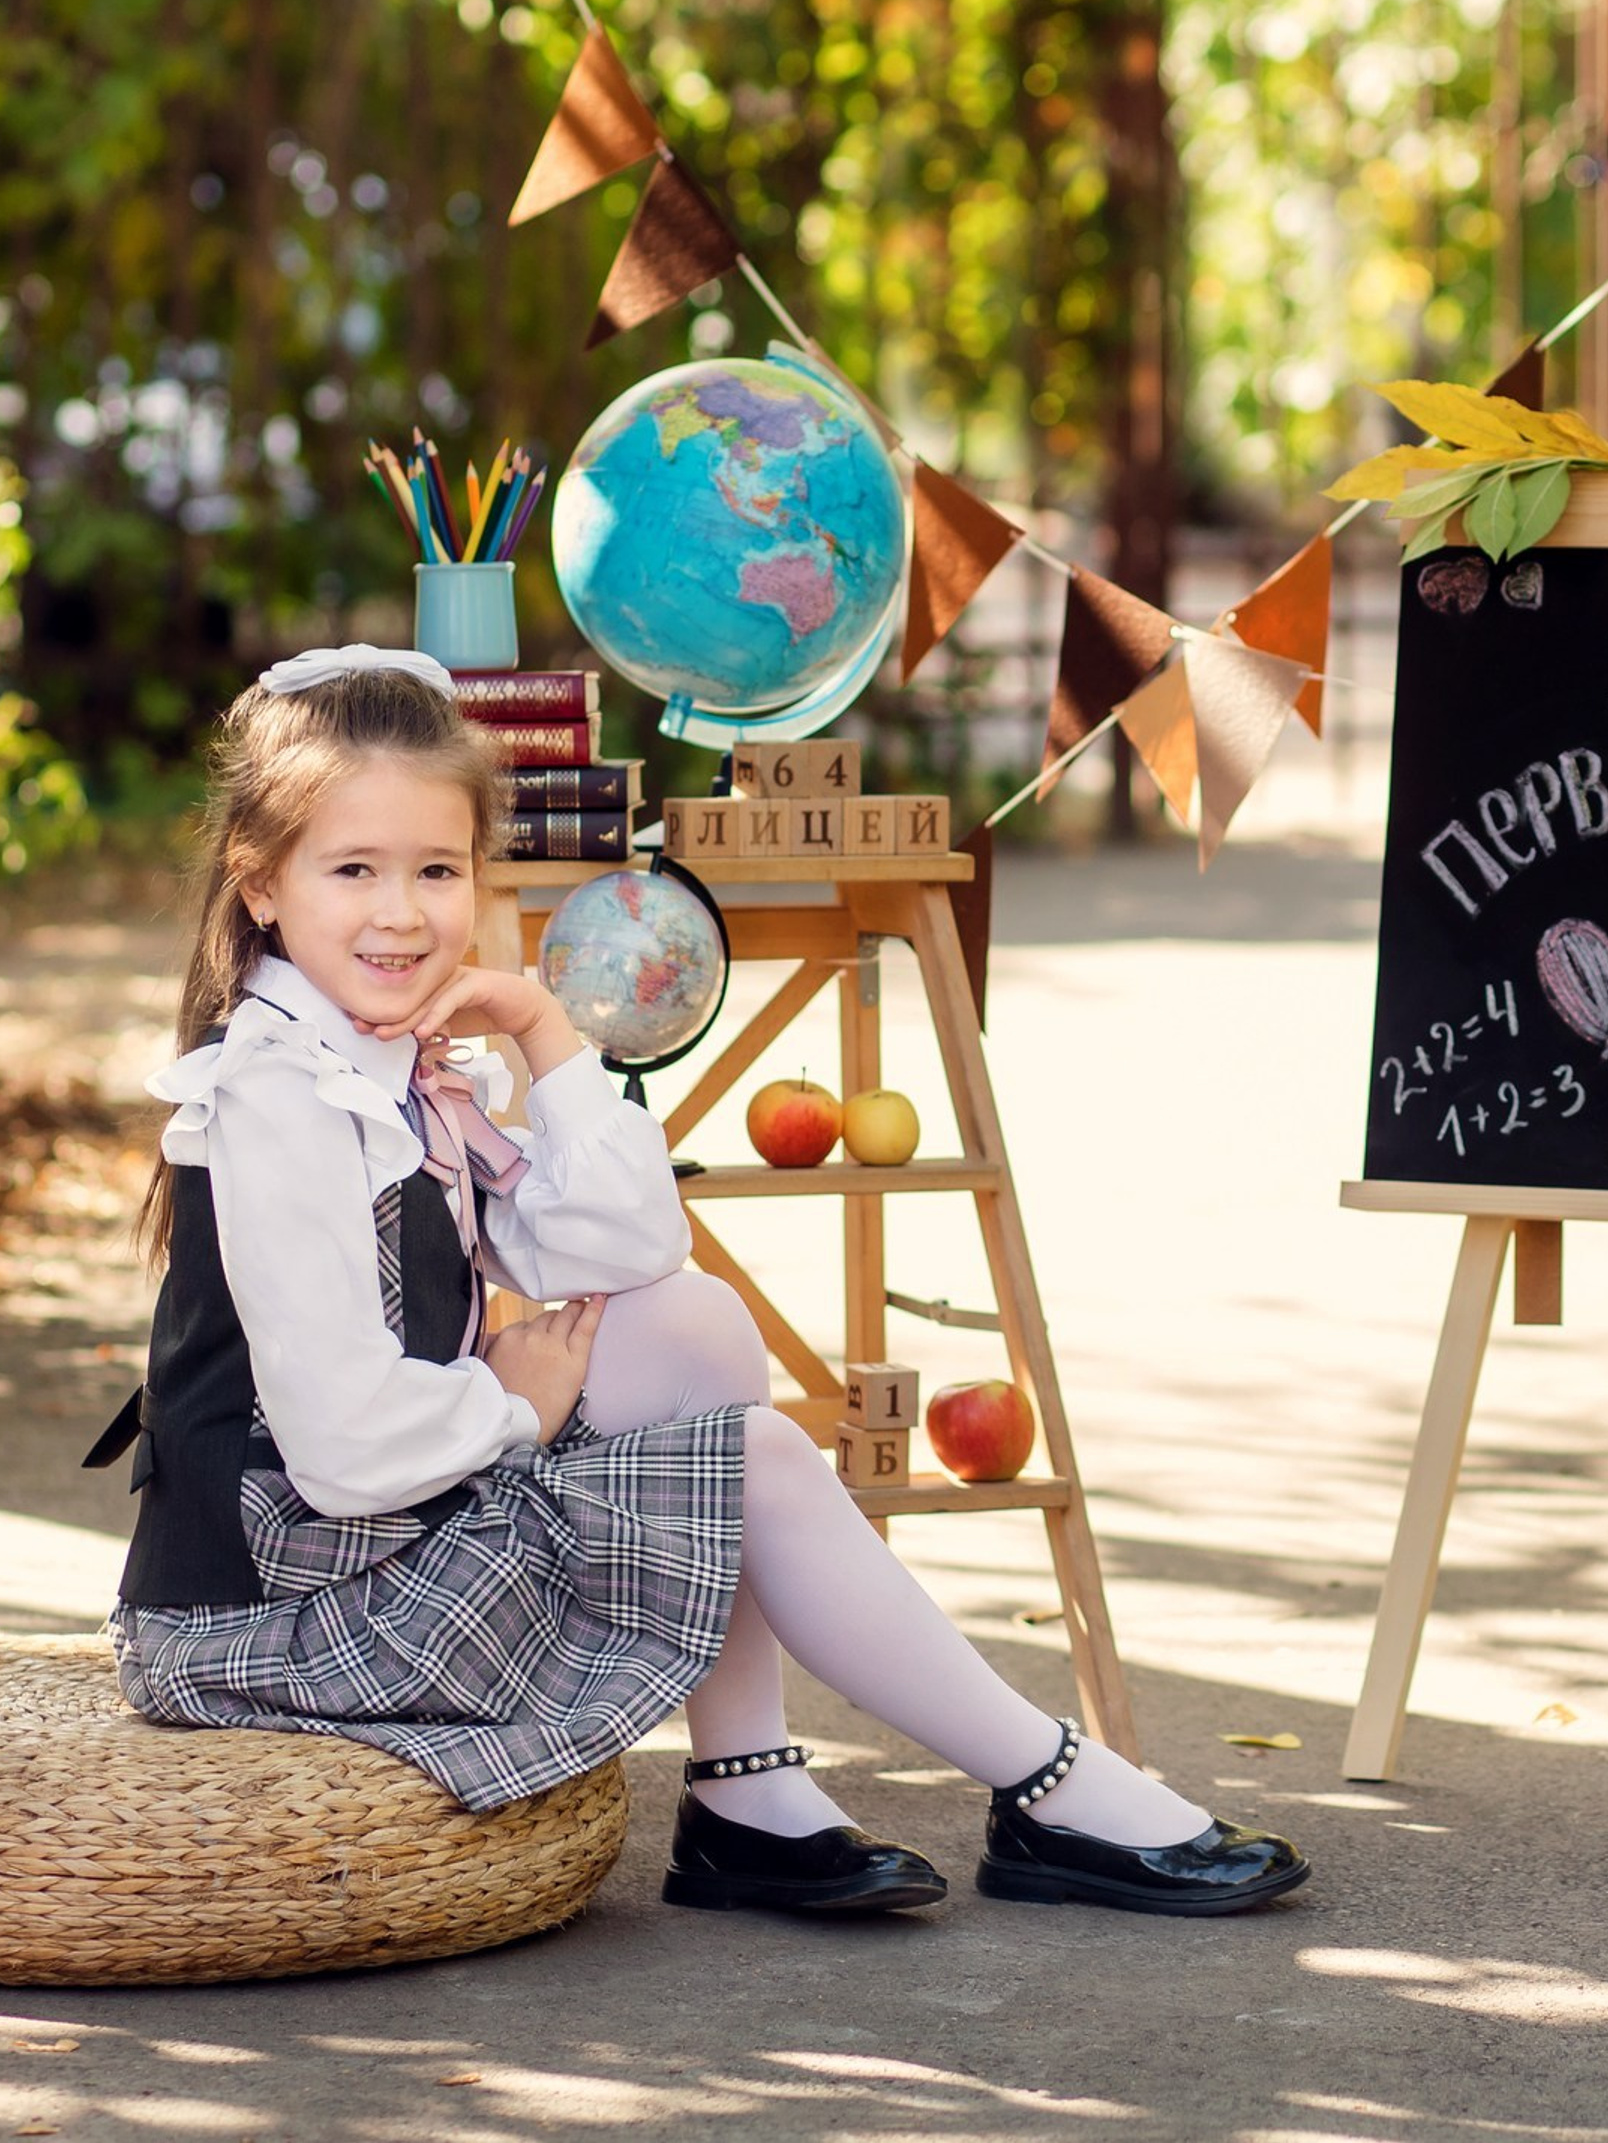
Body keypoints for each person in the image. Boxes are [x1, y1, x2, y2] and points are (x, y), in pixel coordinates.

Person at [89, 647, 1308, 1919]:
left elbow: (629, 1251)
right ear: (261, 884)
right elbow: (342, 1452)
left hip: (364, 1539)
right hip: (265, 1616)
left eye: (437, 870)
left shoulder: (402, 1062)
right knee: (755, 1459)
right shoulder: (280, 1093)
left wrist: (543, 1028)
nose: (402, 913)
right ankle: (1049, 1783)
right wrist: (521, 1410)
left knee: (693, 1323)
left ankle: (747, 1791)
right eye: (355, 869)